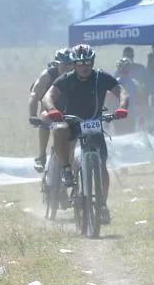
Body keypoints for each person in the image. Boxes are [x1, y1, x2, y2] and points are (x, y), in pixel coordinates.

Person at [39, 44, 129, 224]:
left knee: (101, 164)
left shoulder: (101, 77)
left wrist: (122, 107)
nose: (84, 66)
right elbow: (48, 96)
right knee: (59, 129)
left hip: (93, 123)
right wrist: (52, 110)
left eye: (87, 62)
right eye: (80, 63)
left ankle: (102, 204)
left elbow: (121, 91)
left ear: (92, 62)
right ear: (74, 64)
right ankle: (66, 169)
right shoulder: (66, 79)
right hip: (72, 121)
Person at [28, 48, 73, 171]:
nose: (67, 68)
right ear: (57, 64)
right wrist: (32, 114)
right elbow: (34, 95)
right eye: (64, 65)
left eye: (70, 65)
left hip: (71, 112)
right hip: (50, 111)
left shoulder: (78, 75)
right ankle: (41, 156)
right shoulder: (47, 75)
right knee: (45, 119)